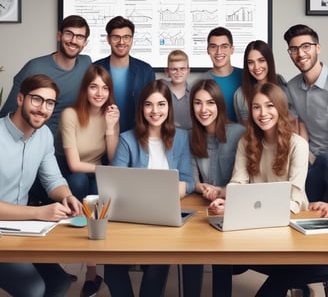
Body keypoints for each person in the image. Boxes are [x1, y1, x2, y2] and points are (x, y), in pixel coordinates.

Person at [208, 82, 309, 297]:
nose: (263, 113)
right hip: (254, 224)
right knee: (220, 257)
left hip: (288, 227)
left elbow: (296, 200)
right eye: (256, 107)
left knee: (282, 276)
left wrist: (256, 215)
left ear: (280, 108)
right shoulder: (247, 142)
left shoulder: (298, 145)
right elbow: (238, 183)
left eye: (269, 106)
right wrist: (228, 203)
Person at [104, 79, 195, 297]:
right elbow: (114, 180)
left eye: (161, 104)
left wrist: (167, 194)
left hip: (164, 214)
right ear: (141, 108)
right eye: (149, 105)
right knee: (110, 264)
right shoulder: (127, 139)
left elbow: (188, 180)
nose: (155, 111)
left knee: (158, 263)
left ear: (169, 108)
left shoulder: (181, 138)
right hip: (131, 214)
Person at [0, 74, 82, 297]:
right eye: (36, 99)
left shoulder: (44, 135)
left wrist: (66, 196)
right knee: (33, 288)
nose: (42, 109)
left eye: (49, 103)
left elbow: (52, 179)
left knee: (60, 282)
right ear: (20, 99)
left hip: (20, 231)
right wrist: (39, 213)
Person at [55, 65, 120, 297]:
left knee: (99, 194)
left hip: (97, 171)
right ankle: (85, 266)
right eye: (94, 87)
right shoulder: (70, 114)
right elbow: (74, 164)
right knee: (82, 183)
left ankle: (94, 272)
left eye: (104, 88)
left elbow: (113, 159)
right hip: (72, 173)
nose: (99, 93)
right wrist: (104, 170)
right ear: (85, 89)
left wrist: (111, 127)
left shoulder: (110, 114)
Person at [182, 79, 245, 297]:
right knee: (190, 249)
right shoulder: (190, 136)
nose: (203, 109)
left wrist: (219, 191)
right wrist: (203, 189)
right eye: (198, 103)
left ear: (219, 104)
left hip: (231, 204)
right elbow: (193, 179)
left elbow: (244, 179)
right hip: (202, 203)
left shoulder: (238, 133)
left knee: (221, 253)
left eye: (210, 103)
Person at [0, 15, 92, 135]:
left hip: (73, 142)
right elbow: (8, 114)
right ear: (59, 36)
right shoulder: (34, 68)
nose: (73, 41)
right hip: (38, 143)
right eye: (69, 34)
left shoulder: (86, 63)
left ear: (85, 42)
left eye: (80, 37)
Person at [284, 24, 328, 202]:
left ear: (318, 47)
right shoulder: (292, 87)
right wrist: (306, 156)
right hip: (311, 161)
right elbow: (298, 125)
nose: (300, 54)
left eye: (305, 47)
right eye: (294, 49)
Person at [94, 15, 155, 133]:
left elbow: (152, 105)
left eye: (126, 37)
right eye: (116, 37)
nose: (121, 42)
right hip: (101, 135)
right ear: (108, 39)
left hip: (136, 135)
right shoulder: (95, 68)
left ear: (132, 39)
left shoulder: (145, 70)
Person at [234, 40, 295, 125]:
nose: (256, 67)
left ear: (269, 61)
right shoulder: (241, 95)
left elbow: (293, 121)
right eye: (251, 62)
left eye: (261, 60)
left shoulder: (282, 84)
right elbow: (247, 129)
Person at [202, 26, 242, 122]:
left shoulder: (246, 77)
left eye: (224, 46)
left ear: (232, 49)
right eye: (213, 47)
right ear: (207, 50)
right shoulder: (201, 82)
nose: (219, 52)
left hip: (245, 135)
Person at [164, 49, 192, 130]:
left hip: (189, 137)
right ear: (167, 71)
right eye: (174, 69)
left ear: (188, 70)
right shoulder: (160, 91)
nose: (178, 72)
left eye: (182, 69)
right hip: (166, 135)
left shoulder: (195, 93)